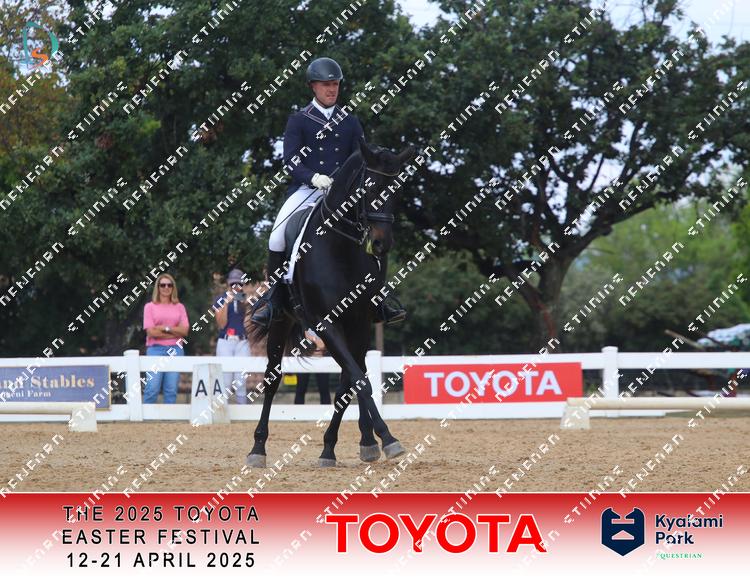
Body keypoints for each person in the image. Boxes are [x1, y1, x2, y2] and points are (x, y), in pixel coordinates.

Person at [250, 56, 406, 330]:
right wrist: (313, 178)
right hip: (307, 189)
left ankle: (380, 297)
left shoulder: (350, 122)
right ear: (313, 86)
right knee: (277, 236)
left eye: (335, 84)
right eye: (326, 85)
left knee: (376, 231)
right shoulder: (299, 120)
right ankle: (274, 299)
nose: (332, 89)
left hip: (344, 194)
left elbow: (362, 157)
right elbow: (291, 161)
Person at [142, 273, 189, 403]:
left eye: (169, 285)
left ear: (173, 287)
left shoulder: (180, 307)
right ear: (158, 287)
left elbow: (184, 331)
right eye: (163, 285)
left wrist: (164, 328)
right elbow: (151, 332)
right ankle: (148, 416)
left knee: (171, 389)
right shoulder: (149, 307)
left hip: (176, 350)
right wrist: (175, 331)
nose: (166, 287)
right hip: (155, 349)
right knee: (152, 388)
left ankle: (169, 416)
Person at [214, 268, 252, 404]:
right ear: (229, 284)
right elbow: (221, 324)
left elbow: (249, 325)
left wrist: (246, 305)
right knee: (225, 381)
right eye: (233, 284)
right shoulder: (220, 299)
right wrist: (226, 303)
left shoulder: (246, 300)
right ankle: (222, 411)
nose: (236, 286)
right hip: (225, 341)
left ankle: (242, 411)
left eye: (239, 284)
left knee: (241, 380)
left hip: (242, 341)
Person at [294, 330, 331, 404]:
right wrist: (316, 341)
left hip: (322, 358)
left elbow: (323, 343)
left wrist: (317, 343)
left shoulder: (325, 324)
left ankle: (326, 411)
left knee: (324, 389)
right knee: (301, 388)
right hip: (304, 358)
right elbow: (301, 334)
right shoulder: (302, 325)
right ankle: (297, 411)